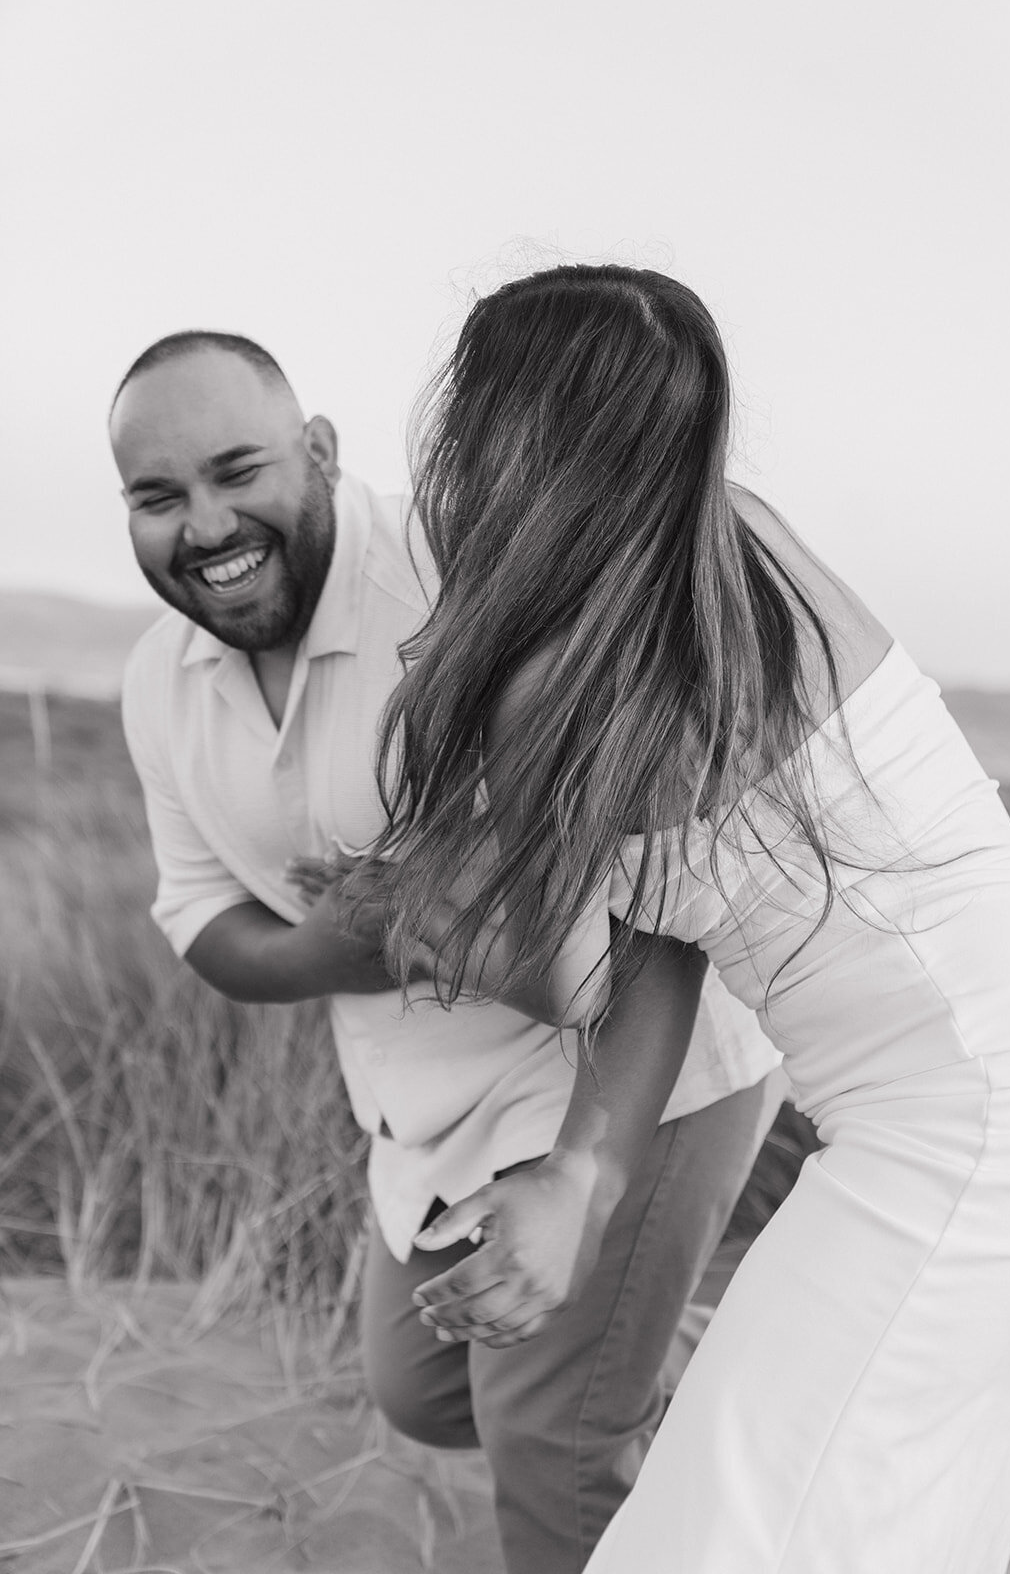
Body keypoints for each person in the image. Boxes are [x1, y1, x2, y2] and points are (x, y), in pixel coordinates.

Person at [346, 263, 1010, 1574]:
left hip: (972, 1135)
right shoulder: (733, 563)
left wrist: (403, 913)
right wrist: (586, 1169)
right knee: (859, 1515)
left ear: (495, 430)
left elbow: (560, 969)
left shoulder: (566, 683)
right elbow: (667, 922)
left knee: (743, 1531)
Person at [110, 329, 786, 1574]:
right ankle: (670, 1396)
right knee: (422, 1387)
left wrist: (582, 1172)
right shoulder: (159, 678)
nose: (204, 525)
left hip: (628, 1068)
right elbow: (201, 919)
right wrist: (356, 937)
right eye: (158, 497)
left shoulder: (466, 576)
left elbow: (652, 910)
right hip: (420, 1109)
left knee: (549, 1448)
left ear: (316, 450)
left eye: (235, 471)